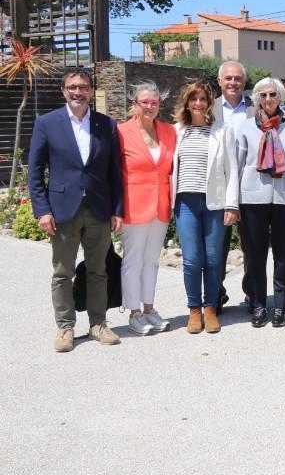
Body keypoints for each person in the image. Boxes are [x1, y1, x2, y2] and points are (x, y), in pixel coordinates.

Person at [30, 69, 125, 352]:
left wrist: (117, 209)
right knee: (63, 273)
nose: (78, 92)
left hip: (98, 208)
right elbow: (35, 172)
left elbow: (114, 172)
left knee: (98, 270)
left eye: (83, 87)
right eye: (72, 87)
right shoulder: (47, 123)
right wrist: (42, 210)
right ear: (63, 90)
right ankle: (65, 327)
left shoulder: (105, 124)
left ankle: (98, 323)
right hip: (62, 210)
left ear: (91, 90)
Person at [172, 81, 240, 334]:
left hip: (215, 202)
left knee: (212, 259)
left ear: (209, 102)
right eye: (194, 99)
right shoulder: (176, 131)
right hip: (185, 202)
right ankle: (194, 309)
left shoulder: (222, 130)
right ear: (187, 102)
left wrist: (232, 205)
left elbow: (232, 171)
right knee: (191, 260)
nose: (198, 104)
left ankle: (210, 308)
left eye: (203, 99)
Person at [233, 77, 285, 329]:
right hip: (253, 198)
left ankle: (281, 305)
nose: (269, 99)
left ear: (280, 97)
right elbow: (238, 166)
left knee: (283, 256)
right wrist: (234, 202)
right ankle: (259, 303)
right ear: (257, 98)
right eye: (263, 95)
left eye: (273, 94)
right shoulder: (246, 127)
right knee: (256, 256)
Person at [117, 82, 176, 336]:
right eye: (145, 102)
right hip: (133, 205)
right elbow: (113, 173)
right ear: (135, 104)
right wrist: (115, 209)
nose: (150, 107)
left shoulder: (169, 131)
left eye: (154, 102)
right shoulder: (121, 132)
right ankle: (134, 312)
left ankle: (150, 308)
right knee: (133, 260)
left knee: (152, 261)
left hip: (161, 205)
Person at [213, 60, 254, 311]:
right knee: (217, 245)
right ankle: (216, 294)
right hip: (219, 185)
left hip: (250, 185)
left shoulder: (255, 107)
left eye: (237, 78)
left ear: (244, 82)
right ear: (219, 81)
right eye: (228, 78)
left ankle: (253, 293)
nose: (233, 82)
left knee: (252, 245)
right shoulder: (209, 108)